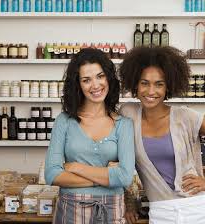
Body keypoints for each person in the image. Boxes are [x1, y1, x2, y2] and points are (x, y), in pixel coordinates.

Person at [44, 48, 135, 224]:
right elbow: (52, 174)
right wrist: (106, 177)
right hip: (70, 210)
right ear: (78, 85)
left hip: (112, 211)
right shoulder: (64, 121)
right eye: (86, 80)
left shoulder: (123, 124)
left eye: (100, 76)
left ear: (108, 78)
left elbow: (124, 177)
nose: (95, 85)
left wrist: (77, 168)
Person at [119, 46, 205, 224]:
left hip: (197, 207)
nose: (151, 91)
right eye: (144, 83)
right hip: (160, 211)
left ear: (168, 86)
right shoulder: (128, 113)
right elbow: (120, 161)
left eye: (159, 84)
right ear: (135, 83)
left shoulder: (186, 116)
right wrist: (129, 203)